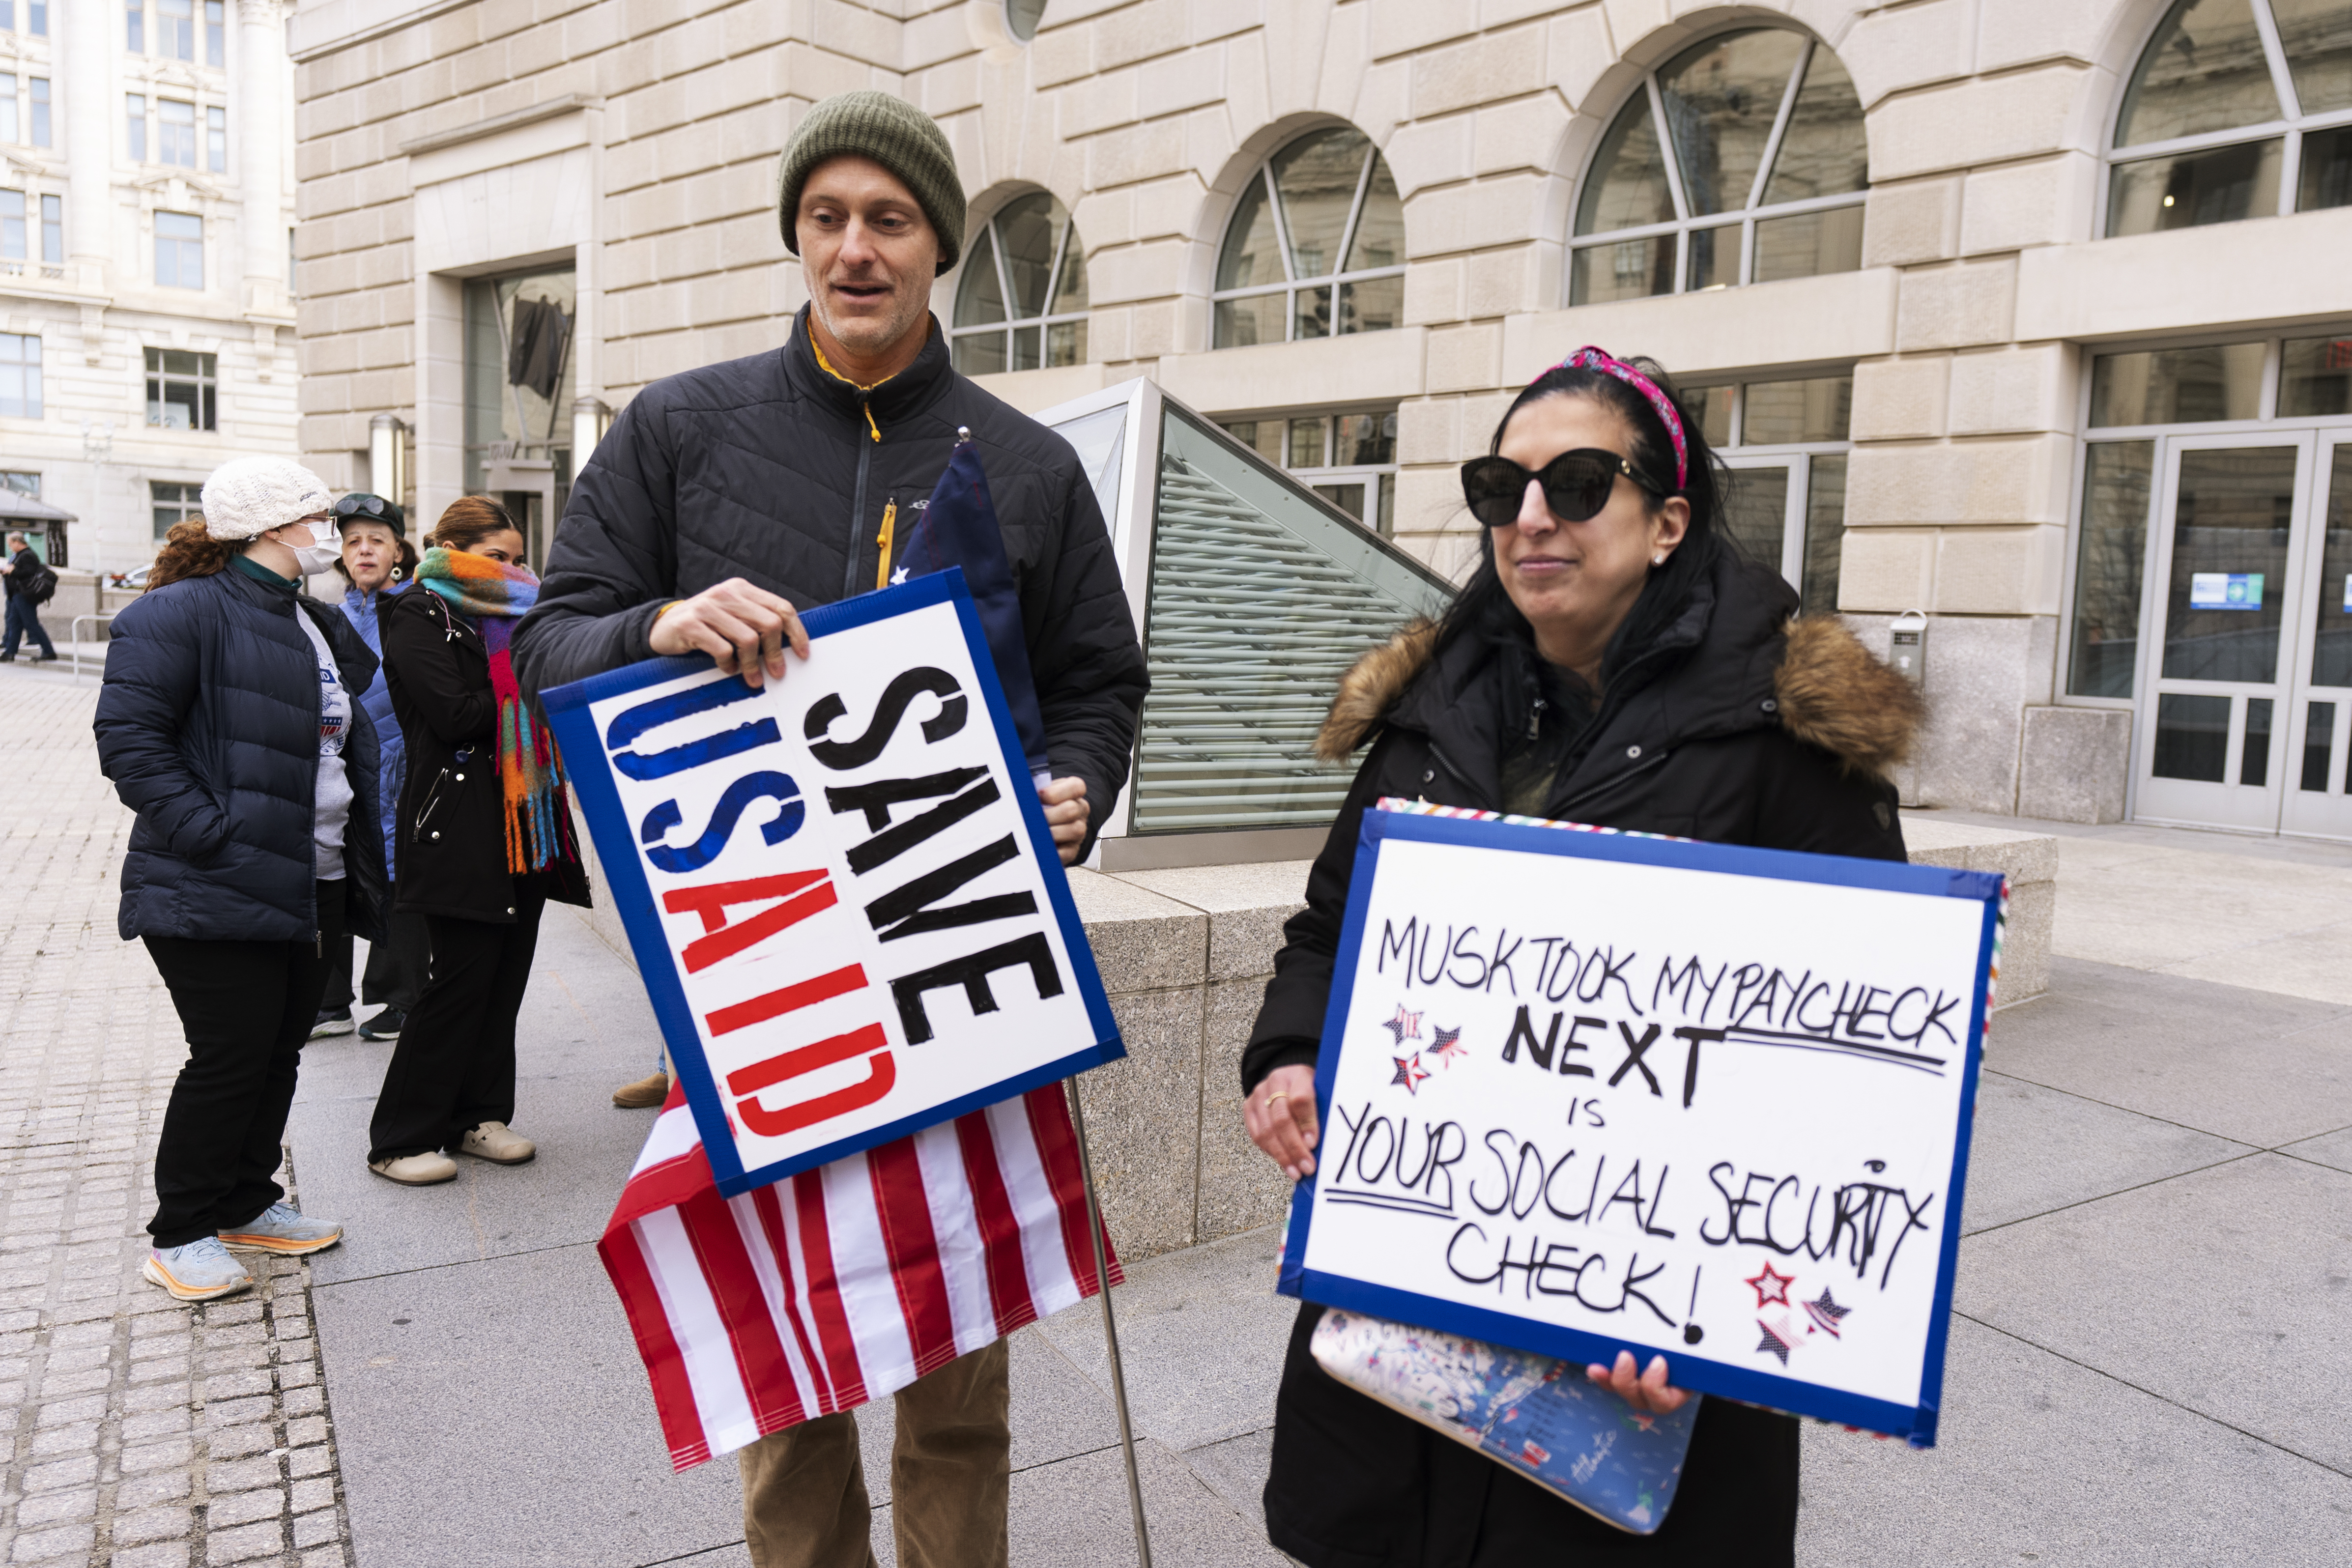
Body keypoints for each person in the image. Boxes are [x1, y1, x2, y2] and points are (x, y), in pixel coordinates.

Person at [510, 89, 1147, 1568]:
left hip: (952, 972)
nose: (853, 249)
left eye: (888, 219)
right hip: (764, 985)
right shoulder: (676, 430)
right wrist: (659, 622)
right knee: (786, 1379)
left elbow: (1098, 679)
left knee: (955, 1370)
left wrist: (1072, 781)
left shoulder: (1027, 465)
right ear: (797, 237)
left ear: (938, 248)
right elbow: (546, 648)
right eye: (826, 218)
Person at [1239, 348, 1924, 1567]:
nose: (1532, 516)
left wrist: (1710, 1312)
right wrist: (1290, 1050)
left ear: (1666, 520)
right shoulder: (1431, 709)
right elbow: (1329, 926)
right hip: (1409, 1331)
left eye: (1576, 480)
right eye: (1501, 488)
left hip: (1640, 1362)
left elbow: (1847, 1068)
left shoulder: (1786, 738)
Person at [93, 457, 386, 1302]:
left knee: (278, 1051)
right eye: (319, 514)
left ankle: (246, 1201)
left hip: (309, 875)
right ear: (270, 528)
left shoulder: (309, 618)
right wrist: (212, 836)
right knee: (228, 1056)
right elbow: (131, 741)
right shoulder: (179, 613)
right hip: (212, 882)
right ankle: (181, 1230)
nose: (331, 528)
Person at [367, 496, 590, 1186]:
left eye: (520, 558)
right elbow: (458, 714)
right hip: (458, 823)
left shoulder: (521, 616)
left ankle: (479, 1115)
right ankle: (401, 1137)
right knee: (457, 984)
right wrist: (537, 684)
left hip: (525, 821)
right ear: (451, 548)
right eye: (498, 557)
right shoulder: (418, 611)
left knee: (504, 982)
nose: (513, 570)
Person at [314, 494, 433, 1043]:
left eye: (377, 541)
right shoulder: (334, 613)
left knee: (397, 877)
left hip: (399, 769)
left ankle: (404, 997)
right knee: (332, 875)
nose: (364, 550)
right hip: (344, 769)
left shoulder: (415, 607)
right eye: (354, 541)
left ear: (398, 552)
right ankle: (330, 1001)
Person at [1, 530, 58, 663]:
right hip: (17, 595)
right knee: (14, 623)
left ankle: (49, 651)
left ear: (17, 542)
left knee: (31, 624)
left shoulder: (27, 555)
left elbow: (29, 572)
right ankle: (9, 653)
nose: (10, 547)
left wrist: (12, 571)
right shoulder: (21, 555)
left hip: (24, 595)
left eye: (10, 544)